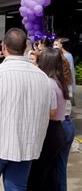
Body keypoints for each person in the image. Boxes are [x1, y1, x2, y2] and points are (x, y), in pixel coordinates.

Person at [0, 28, 55, 191]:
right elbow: (51, 112)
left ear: (3, 46)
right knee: (17, 188)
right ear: (25, 47)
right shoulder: (43, 77)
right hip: (27, 147)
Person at [27, 48, 70, 191]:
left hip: (49, 132)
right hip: (58, 130)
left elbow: (50, 112)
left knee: (37, 175)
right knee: (50, 175)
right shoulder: (60, 82)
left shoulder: (48, 83)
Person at [56, 51, 76, 191]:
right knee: (60, 168)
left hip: (58, 126)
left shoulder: (53, 83)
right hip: (68, 124)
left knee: (48, 170)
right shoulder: (66, 81)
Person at [55, 38, 76, 105]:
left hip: (65, 80)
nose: (55, 45)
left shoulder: (67, 56)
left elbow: (70, 70)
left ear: (61, 45)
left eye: (57, 43)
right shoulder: (67, 55)